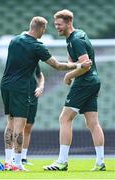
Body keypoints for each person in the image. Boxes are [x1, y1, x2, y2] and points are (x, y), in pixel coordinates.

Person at [0, 16, 91, 171]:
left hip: (5, 84)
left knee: (10, 122)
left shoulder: (14, 40)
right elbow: (57, 65)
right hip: (21, 87)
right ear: (41, 29)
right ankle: (17, 163)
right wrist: (79, 64)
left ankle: (8, 161)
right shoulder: (37, 46)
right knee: (20, 125)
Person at [43, 9, 105, 171]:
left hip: (84, 82)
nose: (57, 27)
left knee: (65, 118)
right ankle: (100, 163)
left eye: (59, 24)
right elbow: (76, 60)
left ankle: (62, 162)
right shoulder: (78, 35)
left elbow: (85, 64)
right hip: (93, 82)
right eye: (55, 24)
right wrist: (70, 65)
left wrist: (68, 75)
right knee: (93, 123)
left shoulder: (75, 40)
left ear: (69, 22)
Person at [21, 64, 44, 165]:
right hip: (20, 94)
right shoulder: (17, 57)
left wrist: (40, 86)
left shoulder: (34, 60)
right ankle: (13, 156)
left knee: (28, 126)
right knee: (17, 124)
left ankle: (23, 157)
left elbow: (40, 75)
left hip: (33, 96)